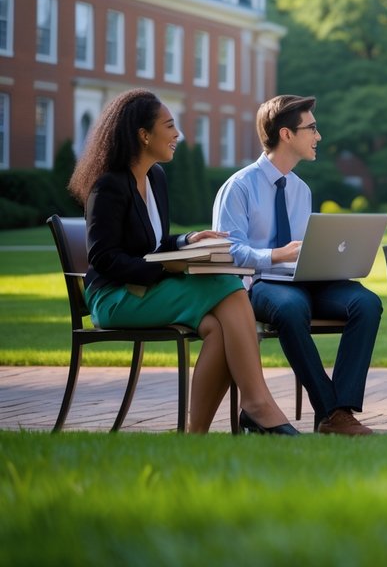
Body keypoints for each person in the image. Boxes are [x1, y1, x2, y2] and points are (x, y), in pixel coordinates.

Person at [68, 89, 296, 435]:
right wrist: (166, 267)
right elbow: (103, 258)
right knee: (225, 282)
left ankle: (196, 436)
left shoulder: (156, 178)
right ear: (144, 135)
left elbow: (154, 242)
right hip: (115, 298)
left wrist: (187, 241)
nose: (178, 135)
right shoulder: (108, 187)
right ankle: (257, 403)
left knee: (218, 328)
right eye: (169, 126)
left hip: (148, 289)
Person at [213, 95, 382, 436]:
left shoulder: (301, 190)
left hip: (304, 279)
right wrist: (275, 255)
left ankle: (341, 409)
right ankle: (330, 411)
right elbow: (227, 252)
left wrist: (332, 259)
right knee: (290, 308)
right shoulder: (239, 187)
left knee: (366, 302)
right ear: (287, 134)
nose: (318, 136)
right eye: (312, 128)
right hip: (260, 284)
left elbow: (304, 249)